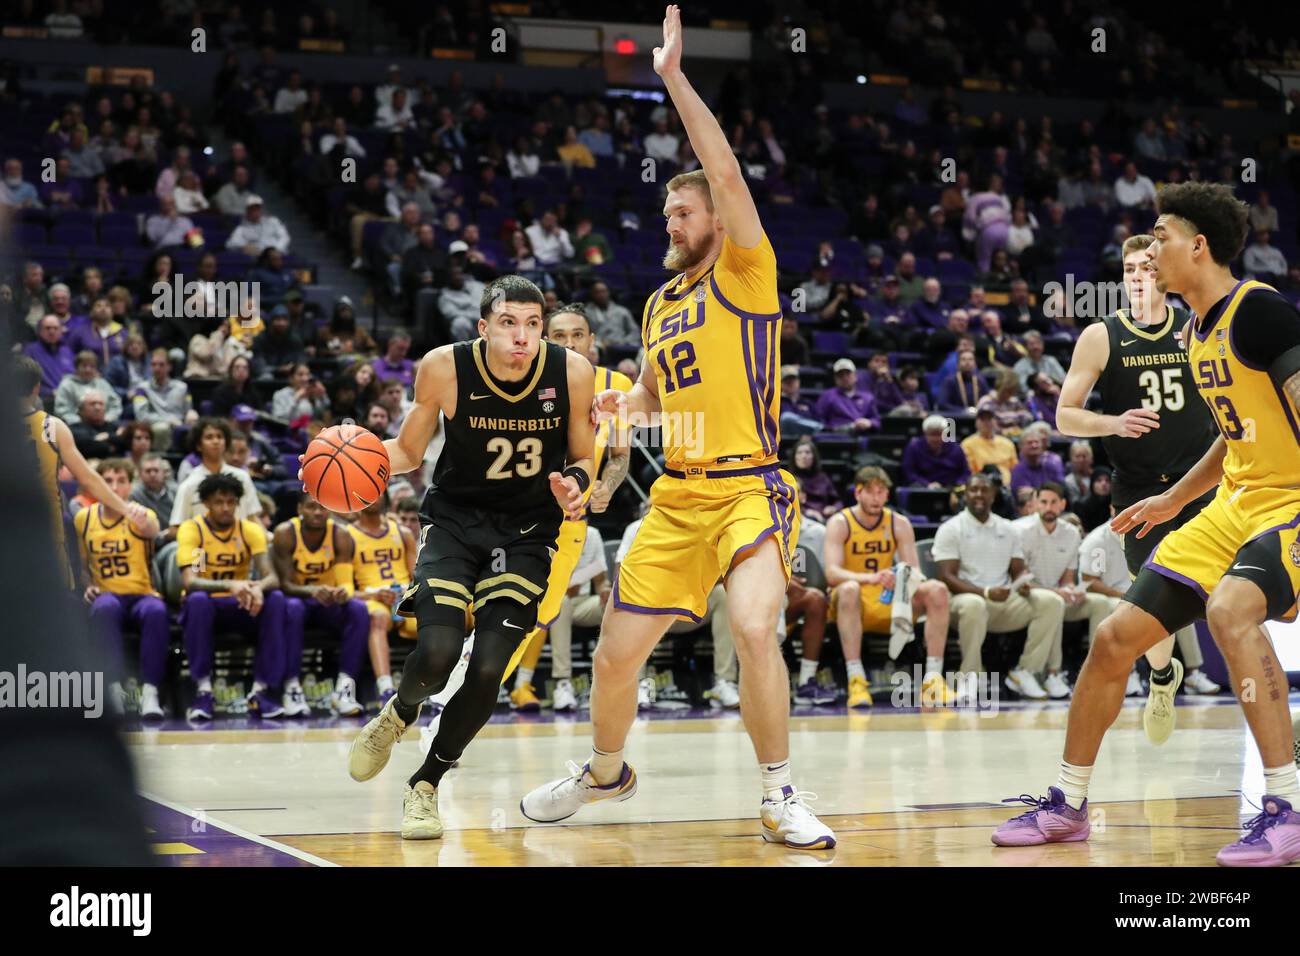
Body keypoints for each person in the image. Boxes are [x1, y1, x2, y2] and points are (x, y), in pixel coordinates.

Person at [520, 10, 836, 850]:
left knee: (755, 625)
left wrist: (672, 79)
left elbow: (727, 174)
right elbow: (660, 398)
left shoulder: (747, 266)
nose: (673, 221)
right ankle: (604, 772)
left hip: (749, 487)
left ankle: (778, 796)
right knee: (617, 656)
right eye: (666, 211)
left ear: (719, 221)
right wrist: (628, 407)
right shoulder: (661, 304)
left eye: (684, 211)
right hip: (678, 496)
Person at [993, 181, 1300, 866]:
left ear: (1198, 246)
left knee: (1231, 612)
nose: (1149, 248)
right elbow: (1234, 437)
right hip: (1233, 505)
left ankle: (1284, 807)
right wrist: (1171, 501)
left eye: (1159, 236)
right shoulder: (1197, 331)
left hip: (1293, 503)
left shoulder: (1261, 313)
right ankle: (1068, 804)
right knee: (1113, 638)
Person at [341, 274, 595, 840]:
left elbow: (583, 454)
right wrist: (347, 451)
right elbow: (406, 452)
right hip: (455, 523)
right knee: (437, 651)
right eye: (509, 323)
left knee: (486, 671)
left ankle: (425, 784)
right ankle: (398, 713)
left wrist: (576, 483)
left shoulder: (571, 373)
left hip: (528, 531)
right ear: (484, 328)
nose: (523, 337)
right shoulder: (442, 366)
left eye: (533, 324)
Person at [1053, 232, 1220, 735]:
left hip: (1197, 482)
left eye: (1148, 267)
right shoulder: (1101, 335)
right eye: (1130, 270)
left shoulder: (1194, 327)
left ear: (1164, 272)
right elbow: (1064, 416)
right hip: (1138, 487)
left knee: (1228, 593)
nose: (1139, 277)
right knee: (1155, 599)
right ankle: (1163, 675)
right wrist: (1113, 422)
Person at [499, 304, 634, 712]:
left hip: (573, 522)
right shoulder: (521, 376)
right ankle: (451, 701)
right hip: (519, 517)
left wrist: (607, 487)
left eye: (578, 335)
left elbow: (619, 457)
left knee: (540, 616)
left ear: (593, 341)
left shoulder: (618, 385)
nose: (570, 343)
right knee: (504, 614)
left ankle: (459, 697)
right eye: (559, 336)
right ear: (543, 340)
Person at [824, 467, 953, 707]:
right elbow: (832, 573)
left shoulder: (899, 523)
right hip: (853, 603)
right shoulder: (840, 522)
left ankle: (933, 678)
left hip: (888, 599)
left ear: (887, 495)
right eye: (870, 492)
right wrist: (869, 578)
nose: (876, 497)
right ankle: (856, 680)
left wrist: (899, 576)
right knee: (849, 588)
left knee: (936, 589)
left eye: (881, 492)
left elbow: (915, 572)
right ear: (858, 493)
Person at [16, 356, 147, 590]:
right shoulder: (52, 426)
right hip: (45, 528)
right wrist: (124, 508)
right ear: (37, 388)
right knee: (48, 609)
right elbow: (88, 478)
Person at [933, 473, 1062, 700]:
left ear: (993, 495)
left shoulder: (1008, 528)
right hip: (962, 602)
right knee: (974, 605)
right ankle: (969, 676)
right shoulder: (951, 528)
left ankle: (1025, 672)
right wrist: (984, 592)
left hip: (1003, 601)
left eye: (985, 490)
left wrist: (1022, 584)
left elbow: (1018, 570)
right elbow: (946, 576)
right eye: (973, 490)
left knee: (1052, 602)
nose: (979, 495)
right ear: (966, 495)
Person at [1076, 518, 1220, 711]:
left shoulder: (1152, 530)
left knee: (1183, 609)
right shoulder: (1096, 540)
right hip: (1113, 596)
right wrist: (1127, 596)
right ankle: (1129, 673)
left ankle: (1193, 674)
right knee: (1121, 611)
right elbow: (1090, 582)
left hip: (1144, 594)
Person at [176, 473, 286, 721]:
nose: (226, 508)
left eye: (231, 502)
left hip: (241, 603)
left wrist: (257, 588)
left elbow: (271, 577)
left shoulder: (249, 530)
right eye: (218, 502)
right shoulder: (194, 530)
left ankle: (261, 692)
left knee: (277, 600)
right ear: (206, 503)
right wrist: (231, 584)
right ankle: (203, 691)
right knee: (197, 601)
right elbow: (191, 582)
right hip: (208, 606)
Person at [75, 459, 167, 718]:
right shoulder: (84, 518)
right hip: (107, 594)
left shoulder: (141, 514)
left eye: (121, 481)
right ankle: (113, 690)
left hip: (142, 594)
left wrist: (143, 522)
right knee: (104, 607)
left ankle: (150, 693)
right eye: (108, 480)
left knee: (157, 612)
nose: (114, 487)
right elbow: (80, 565)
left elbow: (153, 530)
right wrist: (87, 585)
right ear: (97, 485)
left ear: (130, 485)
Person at [1012, 481, 1113, 700]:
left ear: (1062, 505)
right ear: (1035, 504)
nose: (1048, 507)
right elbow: (1020, 580)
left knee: (1101, 603)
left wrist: (1071, 589)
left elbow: (1068, 578)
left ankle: (1097, 671)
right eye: (1043, 502)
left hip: (1055, 596)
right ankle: (1051, 673)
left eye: (1053, 502)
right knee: (1053, 602)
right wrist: (1058, 592)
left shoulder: (1071, 534)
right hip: (1025, 596)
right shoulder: (1019, 530)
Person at [271, 495, 369, 718]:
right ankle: (292, 688)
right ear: (299, 508)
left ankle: (344, 689)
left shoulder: (341, 534)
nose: (317, 512)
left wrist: (343, 592)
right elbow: (284, 585)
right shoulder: (285, 533)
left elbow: (345, 581)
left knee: (358, 610)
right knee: (292, 608)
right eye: (311, 507)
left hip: (327, 603)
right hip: (298, 599)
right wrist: (312, 591)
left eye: (323, 508)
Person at [349, 494, 419, 708]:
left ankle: (432, 689)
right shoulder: (347, 535)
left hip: (404, 598)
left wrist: (407, 592)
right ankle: (386, 687)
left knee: (434, 619)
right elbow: (344, 589)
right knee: (377, 617)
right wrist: (374, 595)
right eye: (366, 494)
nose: (371, 499)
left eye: (376, 493)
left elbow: (418, 577)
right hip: (372, 599)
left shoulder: (403, 533)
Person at [169, 418, 262, 528]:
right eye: (209, 437)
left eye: (220, 437)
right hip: (203, 543)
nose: (216, 441)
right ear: (198, 445)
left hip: (240, 542)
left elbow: (252, 517)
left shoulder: (242, 477)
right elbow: (177, 526)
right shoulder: (189, 484)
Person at [901, 414, 970, 488]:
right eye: (932, 434)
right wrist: (926, 484)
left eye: (939, 434)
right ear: (925, 433)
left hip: (951, 487)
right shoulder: (914, 447)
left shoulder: (956, 448)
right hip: (923, 488)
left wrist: (958, 484)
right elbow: (909, 472)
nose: (936, 439)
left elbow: (965, 472)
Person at [814, 357, 879, 434]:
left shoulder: (867, 397)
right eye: (840, 375)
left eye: (848, 374)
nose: (845, 378)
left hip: (861, 436)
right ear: (835, 379)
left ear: (855, 376)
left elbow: (876, 420)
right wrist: (829, 430)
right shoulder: (827, 396)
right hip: (837, 437)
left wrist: (869, 422)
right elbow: (818, 419)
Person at [962, 407, 1018, 484]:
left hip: (1008, 484)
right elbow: (970, 472)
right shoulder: (967, 444)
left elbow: (1015, 469)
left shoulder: (1007, 443)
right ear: (976, 423)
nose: (986, 422)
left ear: (995, 421)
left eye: (990, 419)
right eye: (983, 419)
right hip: (983, 484)